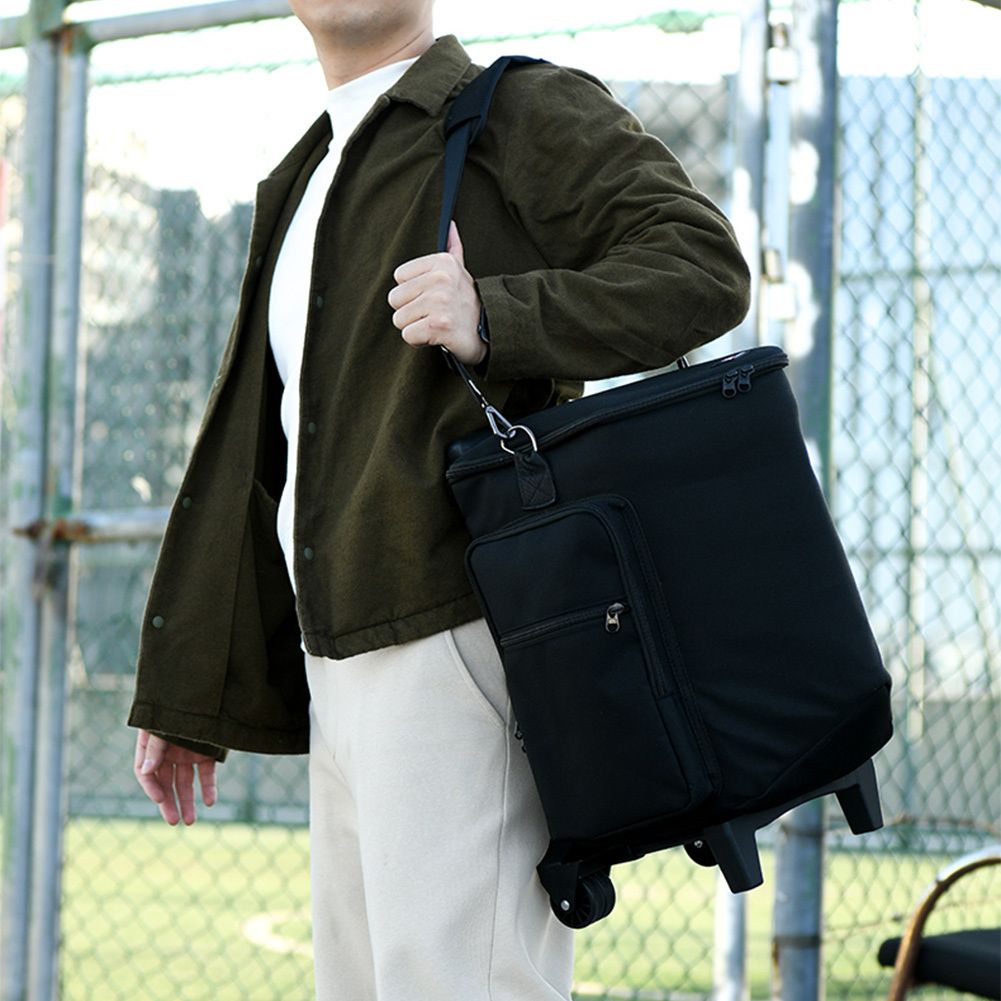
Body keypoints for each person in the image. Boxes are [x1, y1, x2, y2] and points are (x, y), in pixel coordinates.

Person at [129, 1, 751, 998]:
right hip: (338, 655)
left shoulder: (513, 108)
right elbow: (266, 448)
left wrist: (493, 315)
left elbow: (700, 265)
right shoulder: (306, 170)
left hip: (453, 632)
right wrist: (187, 681)